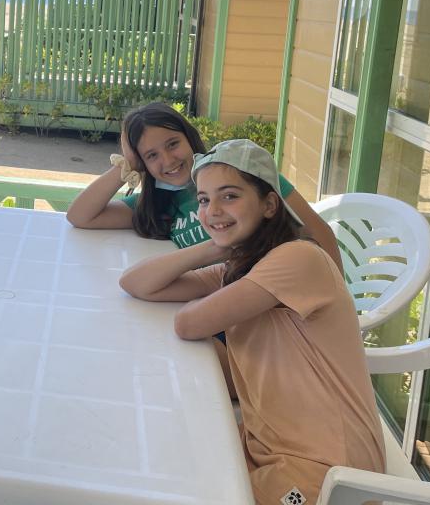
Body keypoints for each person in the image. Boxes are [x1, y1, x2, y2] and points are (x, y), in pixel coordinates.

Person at [119, 140, 385, 505]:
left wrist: (219, 244)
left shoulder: (297, 259)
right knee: (162, 466)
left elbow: (188, 324)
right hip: (268, 444)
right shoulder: (242, 268)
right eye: (204, 200)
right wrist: (215, 244)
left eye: (229, 197)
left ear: (269, 205)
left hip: (328, 469)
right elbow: (136, 283)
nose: (213, 210)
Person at [66, 102, 340, 271]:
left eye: (173, 144)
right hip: (209, 300)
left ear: (189, 138)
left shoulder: (246, 176)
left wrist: (337, 300)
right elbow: (80, 216)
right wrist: (127, 165)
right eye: (151, 155)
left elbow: (318, 233)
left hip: (267, 302)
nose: (168, 160)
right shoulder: (157, 206)